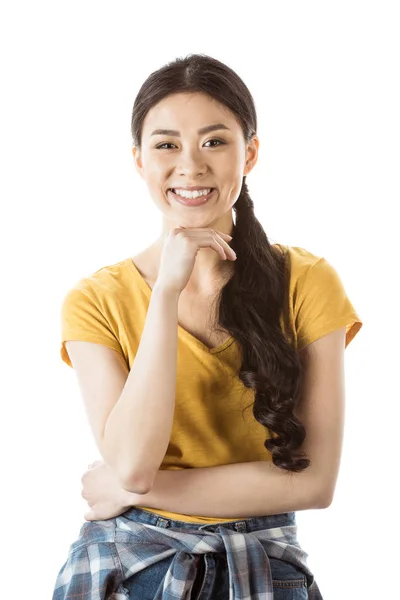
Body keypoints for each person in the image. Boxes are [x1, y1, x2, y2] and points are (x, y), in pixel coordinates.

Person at [52, 53, 362, 599]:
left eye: (215, 141)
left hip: (267, 568)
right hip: (129, 570)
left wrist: (124, 488)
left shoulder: (307, 282)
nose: (190, 166)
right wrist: (166, 293)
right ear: (139, 161)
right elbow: (133, 463)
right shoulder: (95, 300)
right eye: (166, 144)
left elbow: (315, 483)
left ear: (251, 153)